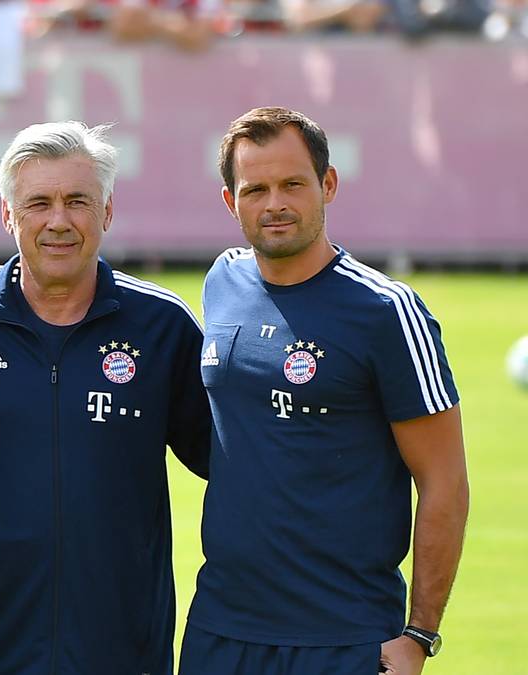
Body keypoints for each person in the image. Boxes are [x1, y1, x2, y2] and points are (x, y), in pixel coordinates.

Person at [180, 107, 468, 675]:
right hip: (220, 628)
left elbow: (445, 482)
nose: (274, 204)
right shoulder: (223, 281)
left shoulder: (387, 310)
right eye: (255, 189)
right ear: (229, 201)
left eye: (292, 184)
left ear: (327, 184)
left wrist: (419, 634)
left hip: (345, 637)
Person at [0, 121, 212, 674]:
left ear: (106, 212)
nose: (59, 221)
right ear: (8, 215)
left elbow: (231, 465)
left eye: (78, 201)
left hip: (124, 648)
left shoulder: (163, 325)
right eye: (38, 203)